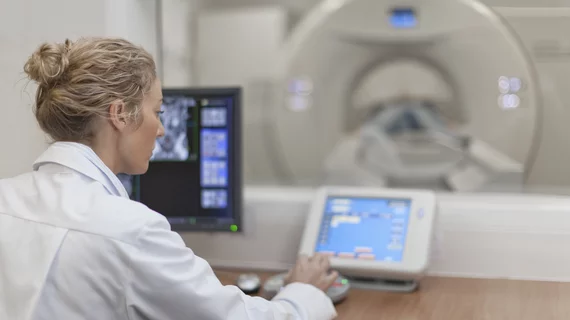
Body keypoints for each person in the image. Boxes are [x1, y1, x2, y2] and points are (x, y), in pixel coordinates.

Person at [0, 37, 338, 320]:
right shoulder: (130, 230)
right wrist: (304, 292)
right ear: (120, 114)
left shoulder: (6, 198)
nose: (161, 130)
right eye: (157, 112)